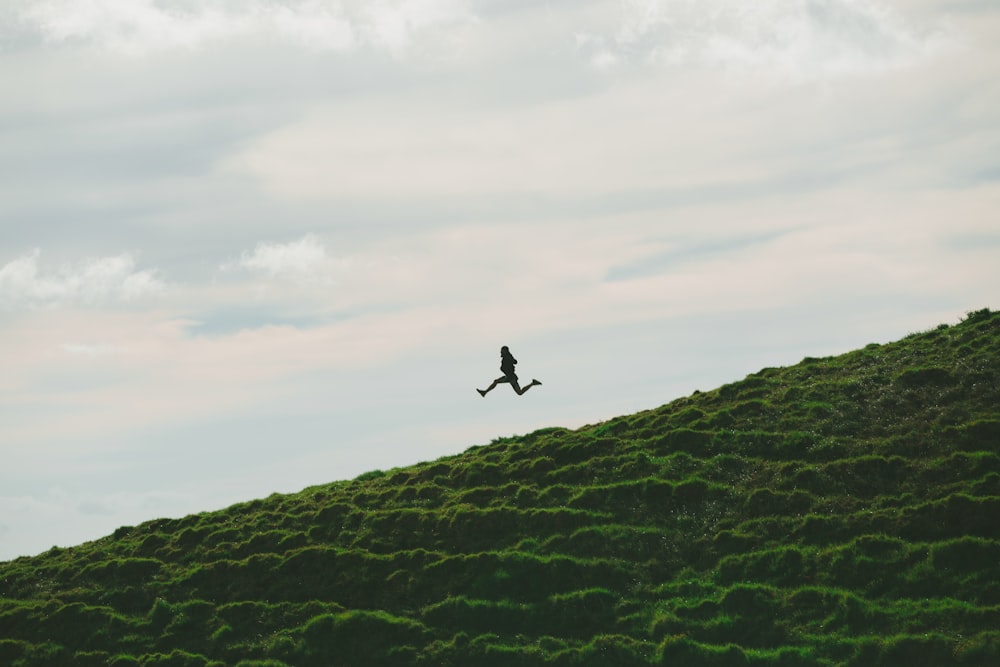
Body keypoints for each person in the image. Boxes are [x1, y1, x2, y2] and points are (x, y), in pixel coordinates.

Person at [477, 345, 542, 397]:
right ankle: (485, 392)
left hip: (511, 377)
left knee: (519, 392)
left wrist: (506, 366)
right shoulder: (507, 357)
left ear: (505, 351)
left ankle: (533, 383)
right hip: (509, 376)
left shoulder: (507, 357)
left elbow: (513, 363)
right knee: (496, 382)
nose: (500, 352)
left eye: (502, 351)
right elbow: (514, 362)